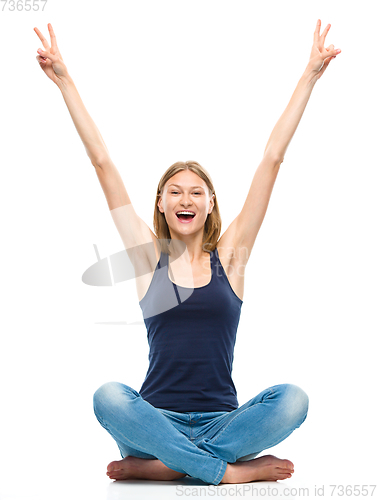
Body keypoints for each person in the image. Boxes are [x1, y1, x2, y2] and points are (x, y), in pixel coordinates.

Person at [34, 20, 340, 485]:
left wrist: (310, 76)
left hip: (223, 423)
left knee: (294, 398)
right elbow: (102, 162)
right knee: (109, 396)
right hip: (153, 421)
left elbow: (271, 160)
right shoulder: (146, 258)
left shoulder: (232, 258)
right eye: (174, 191)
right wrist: (64, 80)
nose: (185, 199)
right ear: (160, 203)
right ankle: (224, 472)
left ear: (210, 203)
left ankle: (164, 468)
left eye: (196, 192)